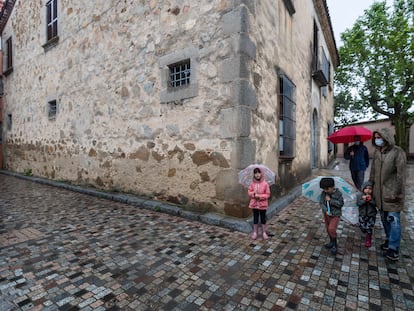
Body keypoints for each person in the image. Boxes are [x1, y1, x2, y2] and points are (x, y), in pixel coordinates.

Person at [369, 128, 406, 261]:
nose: (377, 139)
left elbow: (401, 176)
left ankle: (394, 248)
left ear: (386, 137)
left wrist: (397, 193)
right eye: (376, 137)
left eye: (380, 137)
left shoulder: (398, 152)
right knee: (385, 220)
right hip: (379, 194)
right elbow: (373, 171)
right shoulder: (377, 152)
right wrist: (369, 186)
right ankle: (390, 240)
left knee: (393, 221)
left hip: (392, 194)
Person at [319, 177, 344, 255]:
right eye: (323, 189)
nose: (325, 191)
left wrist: (331, 200)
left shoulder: (338, 193)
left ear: (332, 187)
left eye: (326, 189)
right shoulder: (324, 193)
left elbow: (340, 204)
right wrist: (326, 210)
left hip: (335, 215)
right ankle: (331, 241)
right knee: (328, 229)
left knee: (332, 228)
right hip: (327, 214)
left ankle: (335, 244)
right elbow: (321, 203)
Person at [248, 167, 271, 240]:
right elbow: (249, 191)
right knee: (255, 218)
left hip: (262, 205)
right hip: (254, 204)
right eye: (255, 173)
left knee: (263, 218)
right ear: (254, 174)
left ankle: (264, 232)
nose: (257, 174)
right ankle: (255, 232)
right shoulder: (252, 184)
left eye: (259, 172)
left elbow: (268, 194)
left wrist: (260, 196)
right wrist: (253, 194)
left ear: (261, 174)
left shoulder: (265, 184)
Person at [357, 181, 377, 248]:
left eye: (370, 189)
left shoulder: (373, 196)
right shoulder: (360, 195)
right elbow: (358, 203)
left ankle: (368, 238)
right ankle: (364, 229)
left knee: (369, 228)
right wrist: (364, 200)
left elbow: (375, 204)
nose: (368, 190)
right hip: (362, 214)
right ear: (363, 189)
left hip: (371, 215)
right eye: (366, 188)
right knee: (362, 226)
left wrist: (370, 200)